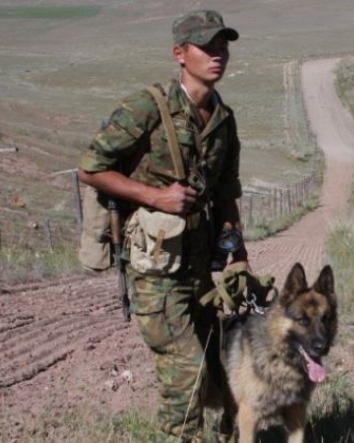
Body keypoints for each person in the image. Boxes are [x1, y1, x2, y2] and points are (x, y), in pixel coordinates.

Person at [77, 10, 248, 443]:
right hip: (155, 269)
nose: (217, 55)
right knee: (186, 377)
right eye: (206, 47)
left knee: (226, 370)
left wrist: (237, 252)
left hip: (201, 270)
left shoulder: (223, 118)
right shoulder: (147, 107)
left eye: (222, 47)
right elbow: (90, 168)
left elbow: (225, 192)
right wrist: (155, 197)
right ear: (179, 53)